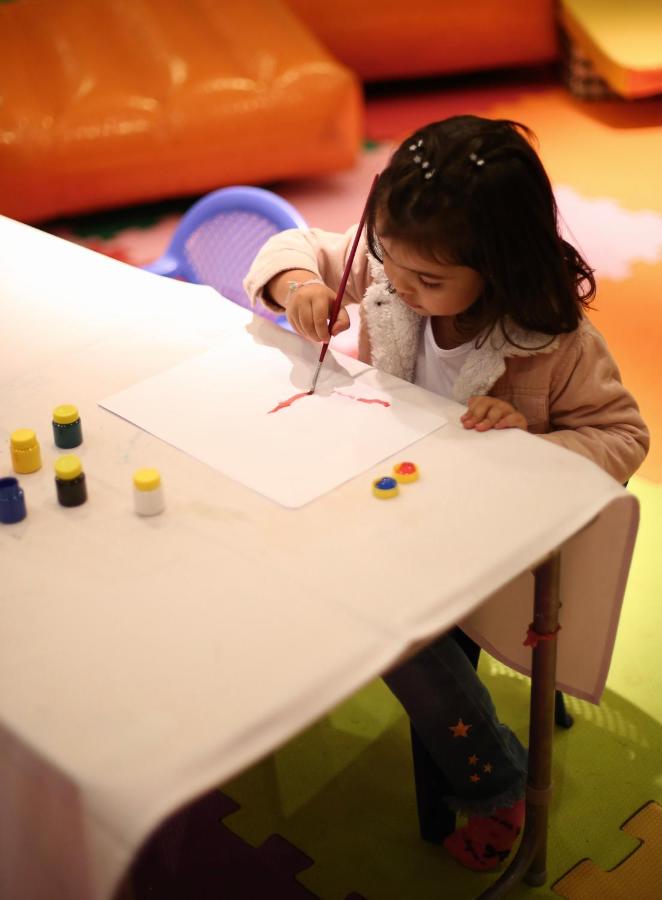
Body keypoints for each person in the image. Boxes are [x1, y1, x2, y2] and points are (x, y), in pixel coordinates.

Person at [243, 115, 649, 872]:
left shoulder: (554, 342)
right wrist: (298, 284)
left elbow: (623, 436)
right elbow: (297, 248)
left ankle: (495, 780)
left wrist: (529, 445)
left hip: (490, 539)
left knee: (395, 625)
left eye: (428, 281)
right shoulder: (396, 266)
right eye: (392, 267)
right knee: (270, 534)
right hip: (394, 499)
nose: (398, 286)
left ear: (500, 264)